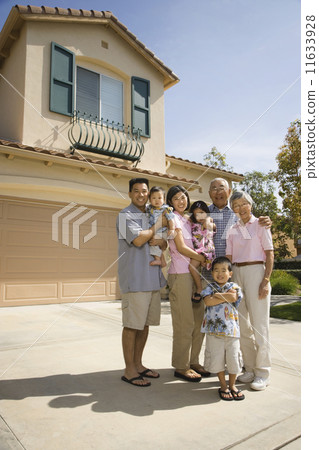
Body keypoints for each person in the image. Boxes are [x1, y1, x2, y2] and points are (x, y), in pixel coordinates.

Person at [116, 178, 167, 387]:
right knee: (131, 325)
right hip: (136, 280)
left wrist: (162, 240)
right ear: (129, 194)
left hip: (152, 279)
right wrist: (159, 225)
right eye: (135, 191)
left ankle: (138, 364)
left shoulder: (152, 212)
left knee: (144, 325)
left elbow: (162, 241)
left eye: (144, 191)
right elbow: (138, 240)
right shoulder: (124, 215)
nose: (140, 194)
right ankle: (129, 370)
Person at [226, 190, 274, 391]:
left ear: (251, 205)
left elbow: (270, 254)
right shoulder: (232, 229)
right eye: (236, 205)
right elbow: (229, 258)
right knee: (243, 326)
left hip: (256, 272)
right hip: (237, 273)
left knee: (259, 325)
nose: (240, 208)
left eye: (244, 203)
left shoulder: (261, 225)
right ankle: (250, 369)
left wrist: (265, 280)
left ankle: (263, 373)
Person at [166, 185, 210, 382]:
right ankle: (181, 366)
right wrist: (202, 258)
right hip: (181, 275)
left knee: (198, 322)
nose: (181, 201)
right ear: (170, 202)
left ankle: (194, 361)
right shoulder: (172, 218)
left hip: (195, 275)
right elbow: (181, 248)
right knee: (184, 323)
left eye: (183, 197)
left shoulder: (188, 220)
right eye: (176, 198)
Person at [201, 177, 272, 284]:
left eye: (221, 188)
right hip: (208, 272)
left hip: (233, 273)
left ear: (229, 191)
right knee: (208, 300)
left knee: (233, 300)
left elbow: (255, 223)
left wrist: (267, 221)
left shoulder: (239, 213)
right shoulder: (203, 213)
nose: (218, 192)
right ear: (209, 193)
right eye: (214, 189)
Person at [201, 256, 244, 401]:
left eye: (224, 270)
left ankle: (232, 385)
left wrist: (217, 295)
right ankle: (223, 385)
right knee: (217, 358)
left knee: (233, 359)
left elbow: (233, 298)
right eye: (216, 270)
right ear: (212, 273)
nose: (220, 273)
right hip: (213, 331)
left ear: (230, 273)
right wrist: (222, 296)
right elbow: (207, 301)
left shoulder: (235, 287)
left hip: (231, 331)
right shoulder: (208, 287)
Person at [188, 200, 216, 302]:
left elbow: (211, 226)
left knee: (192, 267)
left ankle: (199, 289)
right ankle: (202, 288)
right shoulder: (193, 224)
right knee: (197, 270)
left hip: (206, 250)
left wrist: (207, 220)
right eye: (196, 215)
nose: (199, 217)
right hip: (197, 251)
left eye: (202, 213)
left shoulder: (208, 221)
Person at [146, 186, 175, 267]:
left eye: (159, 198)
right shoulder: (149, 208)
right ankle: (162, 260)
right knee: (153, 242)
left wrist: (172, 229)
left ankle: (158, 260)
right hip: (155, 230)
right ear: (149, 199)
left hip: (163, 231)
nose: (157, 200)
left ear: (164, 199)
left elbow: (171, 219)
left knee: (153, 242)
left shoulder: (166, 209)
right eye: (154, 198)